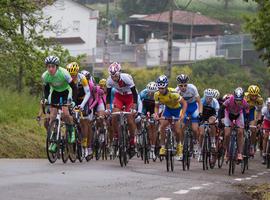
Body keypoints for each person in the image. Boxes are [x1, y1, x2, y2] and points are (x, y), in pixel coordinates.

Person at [42, 56, 77, 152]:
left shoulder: (64, 73)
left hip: (66, 91)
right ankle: (54, 140)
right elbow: (46, 89)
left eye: (52, 66)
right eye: (48, 66)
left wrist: (73, 100)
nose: (50, 69)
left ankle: (71, 131)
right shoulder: (45, 76)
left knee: (65, 114)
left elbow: (74, 87)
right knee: (52, 116)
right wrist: (45, 98)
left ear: (57, 67)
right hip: (55, 93)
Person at [105, 62, 138, 158]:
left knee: (130, 119)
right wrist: (107, 108)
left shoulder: (126, 78)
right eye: (112, 75)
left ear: (119, 73)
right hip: (119, 97)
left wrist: (134, 107)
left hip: (130, 97)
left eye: (115, 75)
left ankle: (132, 141)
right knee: (114, 115)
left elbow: (134, 93)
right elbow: (108, 96)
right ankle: (116, 136)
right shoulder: (109, 80)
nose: (113, 77)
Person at [154, 75, 187, 160]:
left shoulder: (173, 94)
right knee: (162, 127)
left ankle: (179, 146)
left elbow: (184, 103)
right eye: (159, 88)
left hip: (177, 110)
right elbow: (157, 106)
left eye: (163, 88)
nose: (161, 90)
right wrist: (156, 114)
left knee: (177, 130)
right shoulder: (156, 94)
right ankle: (163, 147)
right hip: (168, 110)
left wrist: (182, 114)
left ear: (166, 87)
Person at [218, 87, 249, 161]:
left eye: (240, 100)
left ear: (242, 98)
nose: (238, 102)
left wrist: (247, 121)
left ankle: (240, 153)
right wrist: (220, 120)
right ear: (234, 97)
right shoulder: (229, 100)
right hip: (228, 114)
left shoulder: (244, 102)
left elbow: (247, 111)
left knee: (240, 132)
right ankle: (227, 152)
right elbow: (221, 109)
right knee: (227, 134)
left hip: (239, 115)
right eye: (236, 100)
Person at [176, 74, 203, 155]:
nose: (183, 87)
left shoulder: (193, 88)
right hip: (184, 108)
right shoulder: (176, 90)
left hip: (193, 107)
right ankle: (181, 146)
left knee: (195, 129)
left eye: (185, 85)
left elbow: (199, 102)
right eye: (181, 85)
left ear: (187, 84)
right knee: (181, 127)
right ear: (178, 85)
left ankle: (196, 143)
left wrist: (200, 112)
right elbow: (175, 104)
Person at [198, 88, 220, 161]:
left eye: (210, 98)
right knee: (201, 134)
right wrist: (199, 117)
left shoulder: (215, 102)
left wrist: (214, 120)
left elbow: (216, 114)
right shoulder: (201, 101)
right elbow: (198, 111)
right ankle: (200, 150)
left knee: (212, 123)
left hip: (211, 114)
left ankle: (213, 140)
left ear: (212, 97)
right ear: (205, 96)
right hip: (203, 115)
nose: (208, 99)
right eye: (207, 97)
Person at [138, 82, 158, 159]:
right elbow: (139, 103)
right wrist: (140, 114)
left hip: (154, 108)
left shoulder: (158, 95)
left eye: (153, 93)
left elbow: (161, 106)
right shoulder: (143, 93)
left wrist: (157, 114)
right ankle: (140, 134)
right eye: (149, 92)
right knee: (141, 120)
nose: (151, 94)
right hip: (144, 107)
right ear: (147, 90)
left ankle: (152, 149)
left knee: (153, 127)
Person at [244, 85, 263, 156]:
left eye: (255, 95)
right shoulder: (245, 97)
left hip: (252, 110)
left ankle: (252, 145)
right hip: (244, 110)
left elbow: (259, 111)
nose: (254, 97)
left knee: (253, 128)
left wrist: (258, 120)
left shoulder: (260, 99)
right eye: (252, 95)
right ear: (249, 94)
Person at [261, 98, 270, 164]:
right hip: (266, 123)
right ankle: (264, 154)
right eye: (269, 105)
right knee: (266, 137)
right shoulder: (264, 109)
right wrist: (260, 124)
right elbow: (261, 118)